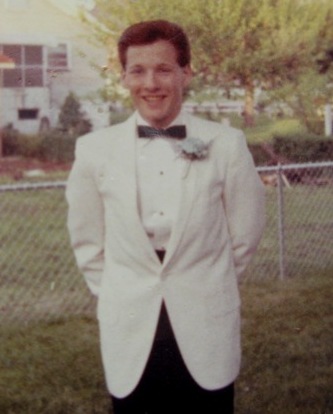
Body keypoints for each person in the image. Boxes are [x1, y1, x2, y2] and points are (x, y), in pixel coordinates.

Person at [66, 19, 265, 414]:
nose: (150, 83)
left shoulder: (225, 144)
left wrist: (208, 281)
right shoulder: (93, 150)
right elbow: (87, 241)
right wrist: (119, 294)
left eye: (163, 69)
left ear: (186, 73)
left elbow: (246, 234)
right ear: (123, 76)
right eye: (137, 70)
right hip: (131, 321)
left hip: (205, 317)